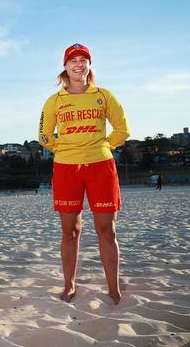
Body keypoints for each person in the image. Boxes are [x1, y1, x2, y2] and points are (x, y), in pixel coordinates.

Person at [39, 43, 130, 304]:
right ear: (65, 67)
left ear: (89, 65)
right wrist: (65, 149)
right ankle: (69, 286)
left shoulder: (104, 95)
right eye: (73, 60)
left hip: (101, 166)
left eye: (83, 60)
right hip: (66, 168)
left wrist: (103, 146)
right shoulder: (54, 101)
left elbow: (122, 129)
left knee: (107, 230)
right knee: (70, 231)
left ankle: (113, 288)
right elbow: (44, 135)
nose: (79, 64)